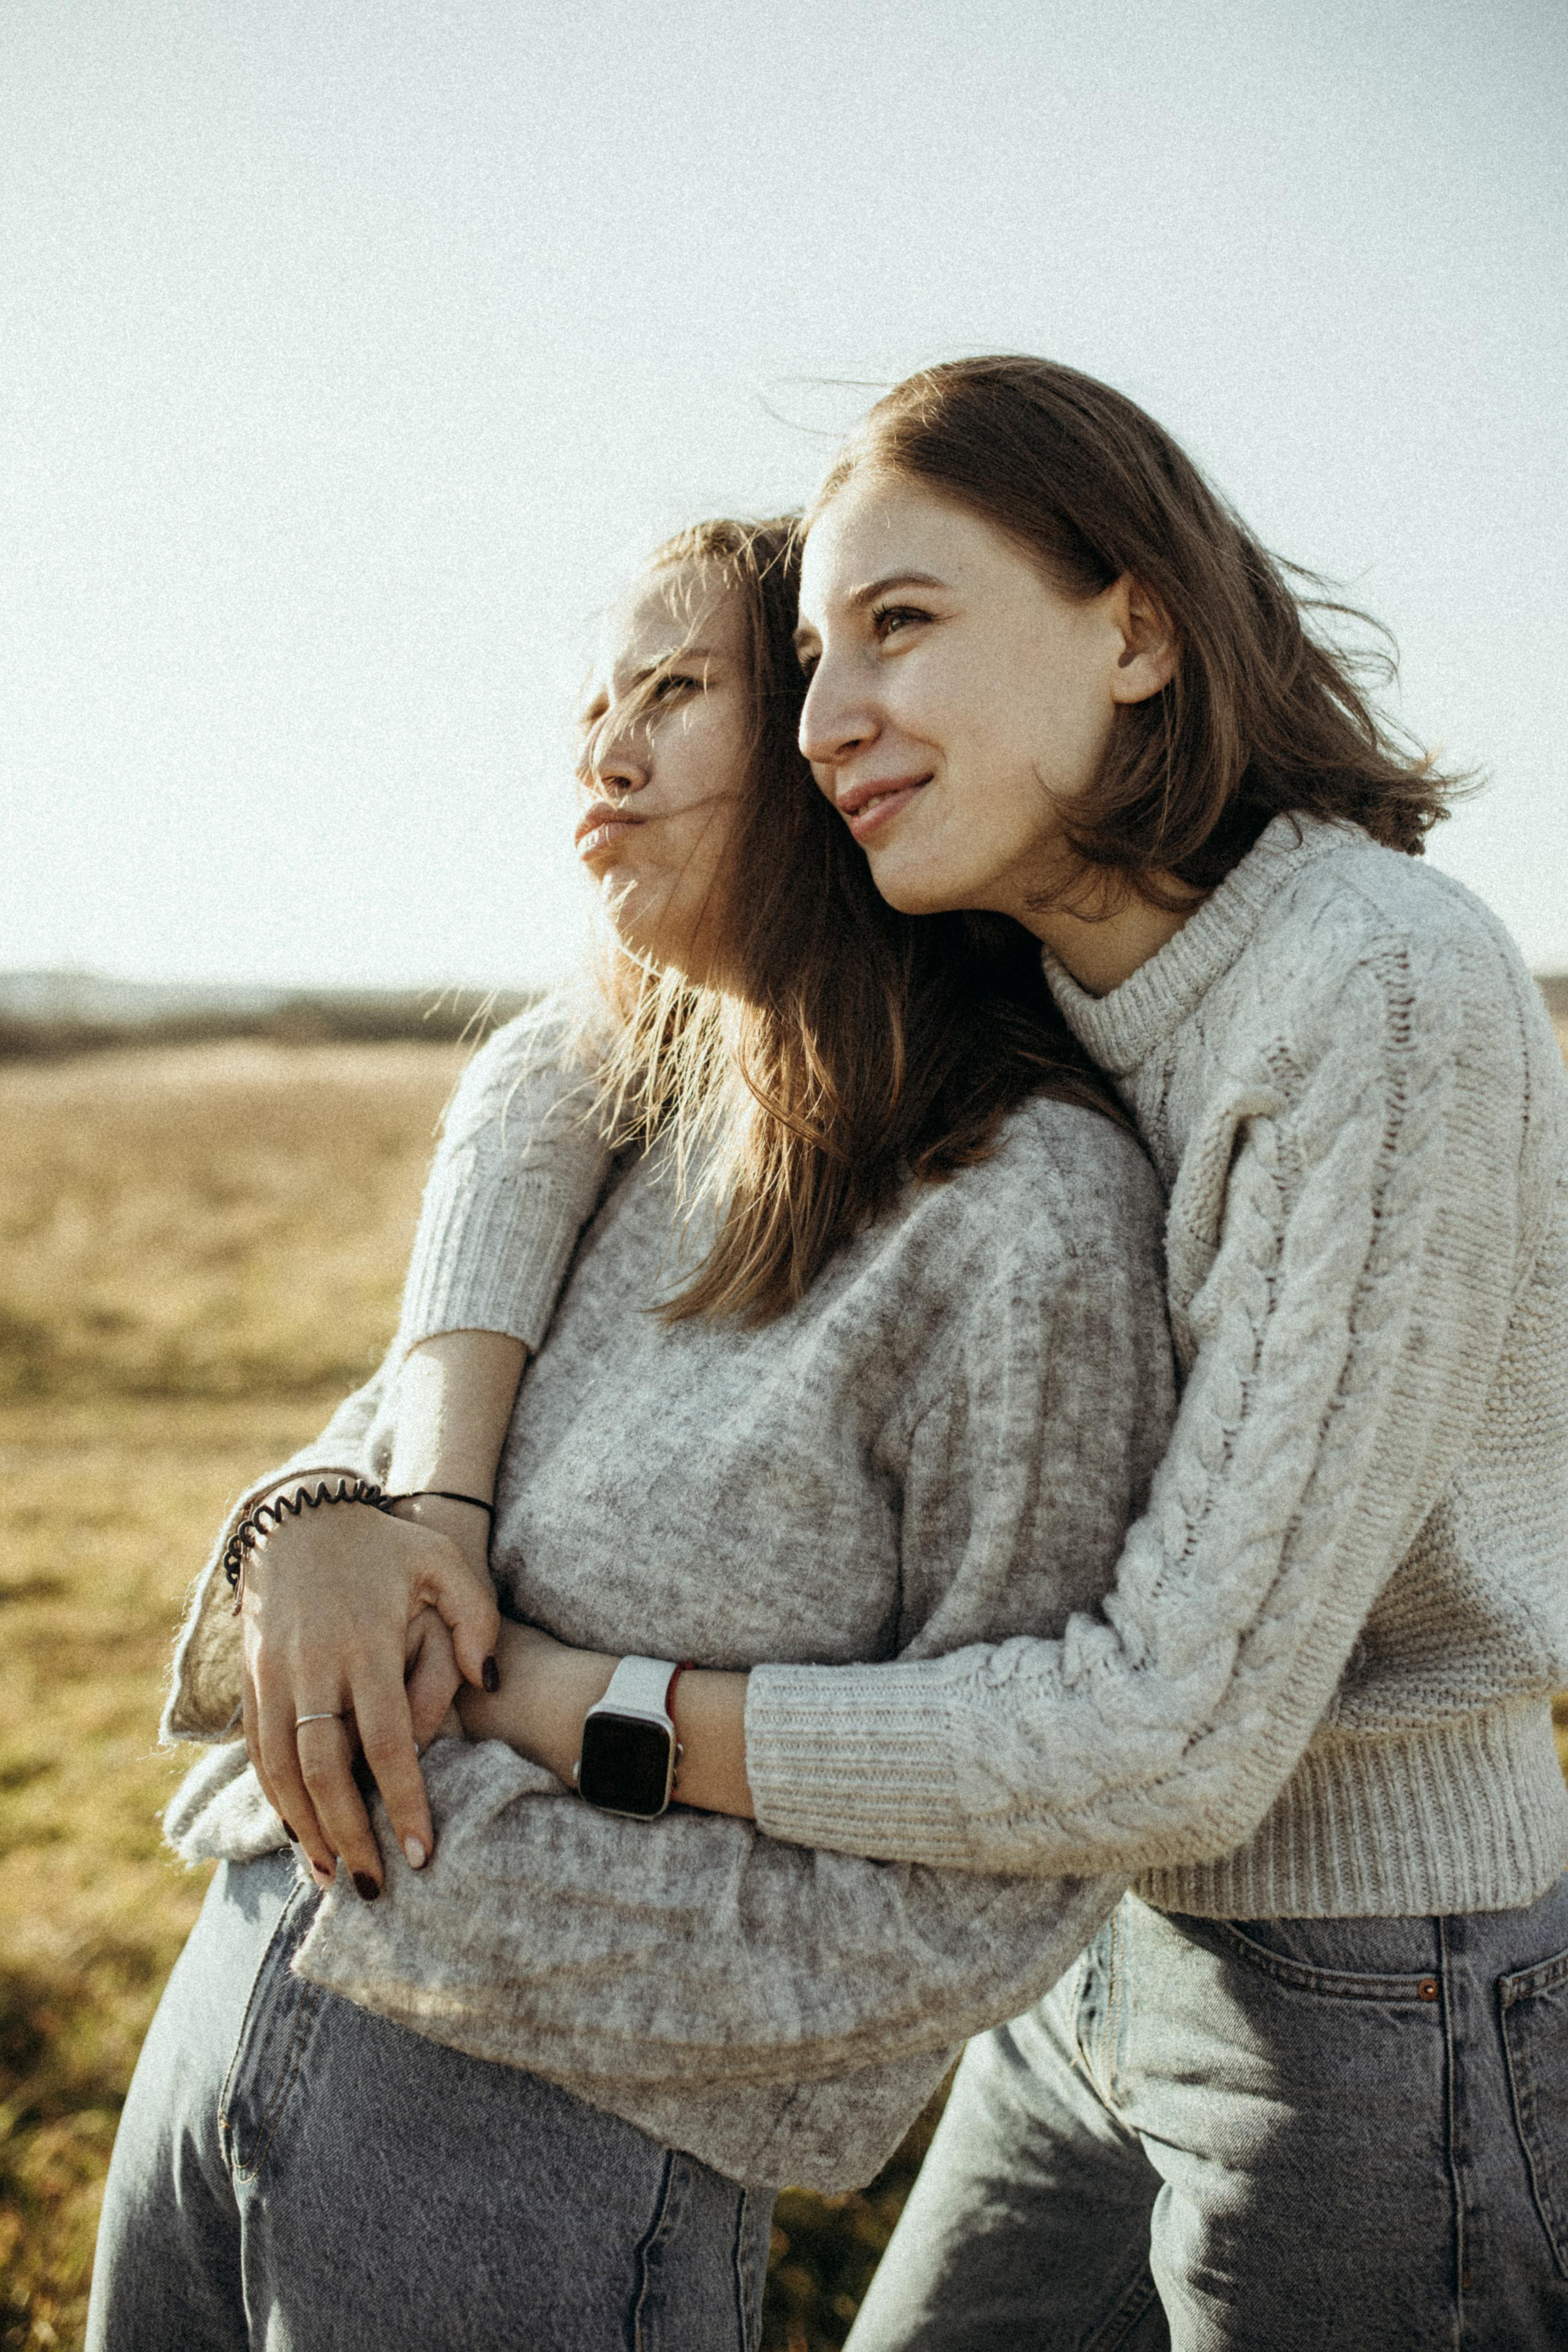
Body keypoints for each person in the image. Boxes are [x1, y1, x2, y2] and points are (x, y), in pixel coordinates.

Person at [238, 358, 1568, 2351]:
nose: (826, 717)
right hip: (1092, 1964)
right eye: (802, 656)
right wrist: (373, 1495)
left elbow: (1180, 1738)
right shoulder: (1025, 942)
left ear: (1134, 627)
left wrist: (579, 1701)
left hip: (1388, 1992)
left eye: (905, 626)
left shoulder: (1371, 985)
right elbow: (568, 1061)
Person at [88, 516, 1177, 2351]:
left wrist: (514, 1945)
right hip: (232, 2008)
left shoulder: (1025, 1225)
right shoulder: (626, 1120)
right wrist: (314, 1522)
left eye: (678, 693)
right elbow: (379, 1453)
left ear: (843, 733)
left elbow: (1008, 1867)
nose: (606, 752)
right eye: (597, 703)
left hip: (536, 2156)